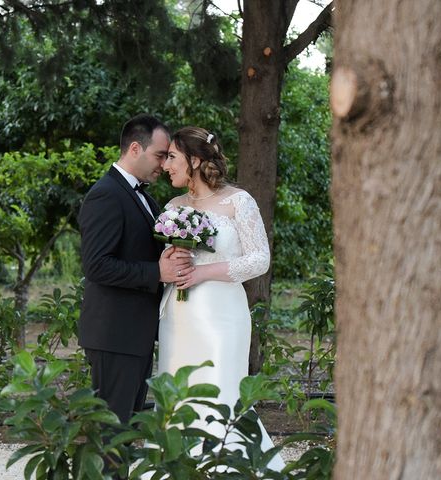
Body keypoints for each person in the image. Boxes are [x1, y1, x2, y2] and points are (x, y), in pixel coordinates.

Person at [159, 126, 285, 471]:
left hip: (222, 318)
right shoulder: (174, 207)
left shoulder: (239, 202)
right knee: (178, 396)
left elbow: (260, 259)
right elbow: (168, 262)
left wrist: (203, 272)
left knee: (220, 394)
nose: (165, 164)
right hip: (178, 318)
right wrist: (169, 262)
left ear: (195, 160)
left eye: (172, 156)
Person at [78, 114, 194, 424]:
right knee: (111, 432)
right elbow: (97, 266)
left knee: (125, 432)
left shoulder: (148, 200)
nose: (163, 163)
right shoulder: (106, 195)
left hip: (136, 335)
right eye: (159, 155)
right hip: (115, 334)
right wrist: (156, 273)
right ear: (134, 149)